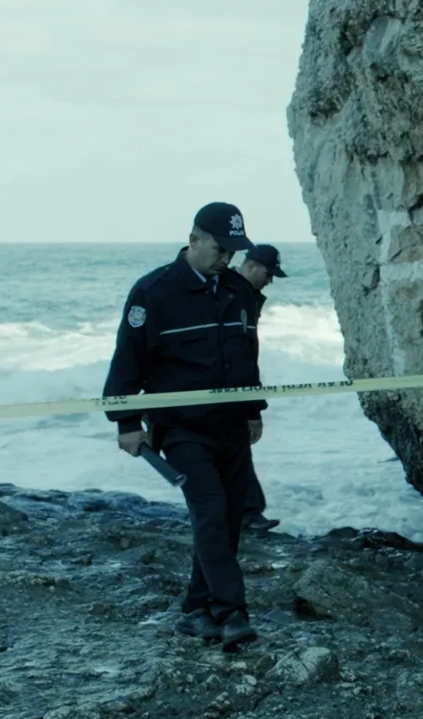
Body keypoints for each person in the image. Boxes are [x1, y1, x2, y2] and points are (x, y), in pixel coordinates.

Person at [102, 201, 266, 651]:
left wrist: (253, 410)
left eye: (233, 250)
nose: (226, 257)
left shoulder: (238, 290)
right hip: (181, 428)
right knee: (210, 511)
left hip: (232, 426)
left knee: (229, 519)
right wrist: (126, 421)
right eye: (219, 248)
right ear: (194, 240)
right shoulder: (153, 292)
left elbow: (246, 355)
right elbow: (127, 361)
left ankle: (196, 609)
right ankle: (232, 612)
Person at [232, 245, 288, 534]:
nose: (270, 281)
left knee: (234, 452)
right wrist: (253, 409)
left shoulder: (246, 296)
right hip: (225, 388)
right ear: (251, 266)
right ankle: (248, 513)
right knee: (234, 452)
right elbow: (240, 356)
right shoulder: (233, 295)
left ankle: (246, 512)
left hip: (234, 388)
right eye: (268, 274)